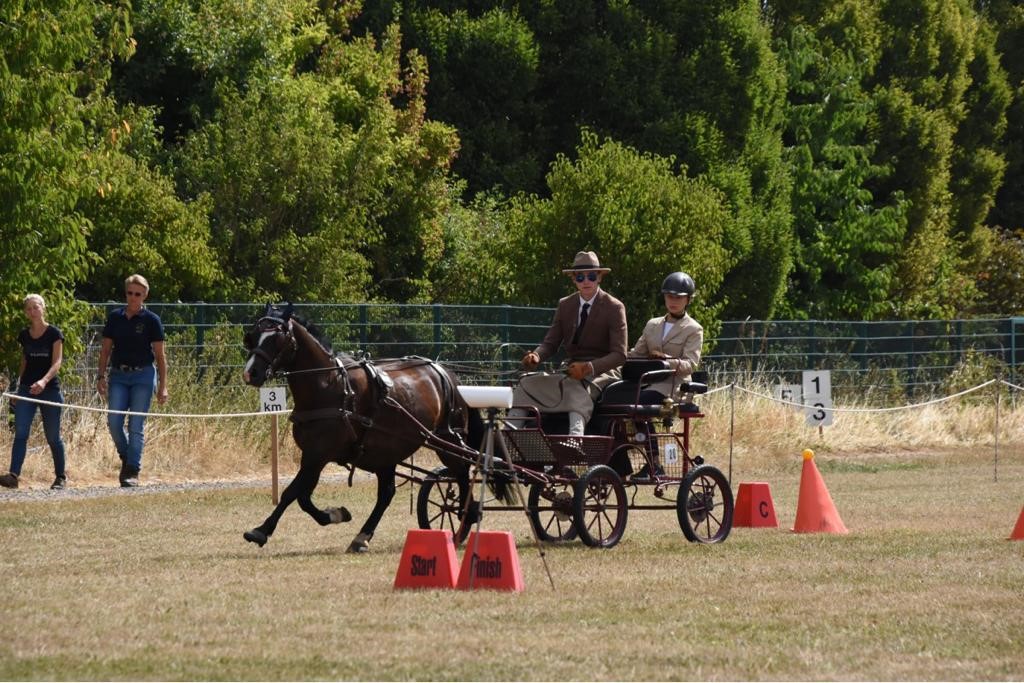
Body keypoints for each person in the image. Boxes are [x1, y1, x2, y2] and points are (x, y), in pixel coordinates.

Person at [512, 251, 627, 435]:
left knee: (575, 386)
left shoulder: (614, 307)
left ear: (599, 278)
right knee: (526, 384)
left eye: (591, 276)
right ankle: (509, 437)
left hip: (602, 370)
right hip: (571, 368)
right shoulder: (565, 304)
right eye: (580, 277)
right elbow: (551, 342)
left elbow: (619, 355)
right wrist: (536, 355)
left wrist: (588, 367)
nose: (586, 281)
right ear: (573, 279)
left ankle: (575, 438)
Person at [626, 271, 703, 479]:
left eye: (678, 297)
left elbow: (690, 364)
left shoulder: (693, 329)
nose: (673, 301)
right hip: (647, 383)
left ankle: (654, 464)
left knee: (638, 404)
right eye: (669, 296)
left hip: (673, 387)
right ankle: (620, 463)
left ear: (688, 299)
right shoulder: (652, 325)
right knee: (616, 402)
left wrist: (665, 360)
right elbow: (635, 354)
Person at [96, 274, 168, 487]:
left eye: (138, 294)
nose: (133, 297)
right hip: (118, 374)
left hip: (143, 375)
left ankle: (132, 470)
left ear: (144, 295)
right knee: (114, 422)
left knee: (136, 424)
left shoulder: (152, 320)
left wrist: (163, 386)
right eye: (130, 293)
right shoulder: (115, 318)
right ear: (125, 293)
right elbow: (105, 350)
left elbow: (160, 356)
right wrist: (101, 376)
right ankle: (127, 458)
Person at [0, 294, 68, 490]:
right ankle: (13, 476)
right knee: (21, 432)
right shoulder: (24, 335)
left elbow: (57, 362)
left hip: (50, 390)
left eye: (35, 307)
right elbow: (24, 361)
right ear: (25, 312)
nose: (32, 311)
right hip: (27, 389)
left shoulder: (54, 333)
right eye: (28, 308)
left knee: (53, 436)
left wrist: (44, 381)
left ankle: (60, 477)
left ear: (43, 308)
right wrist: (18, 389)